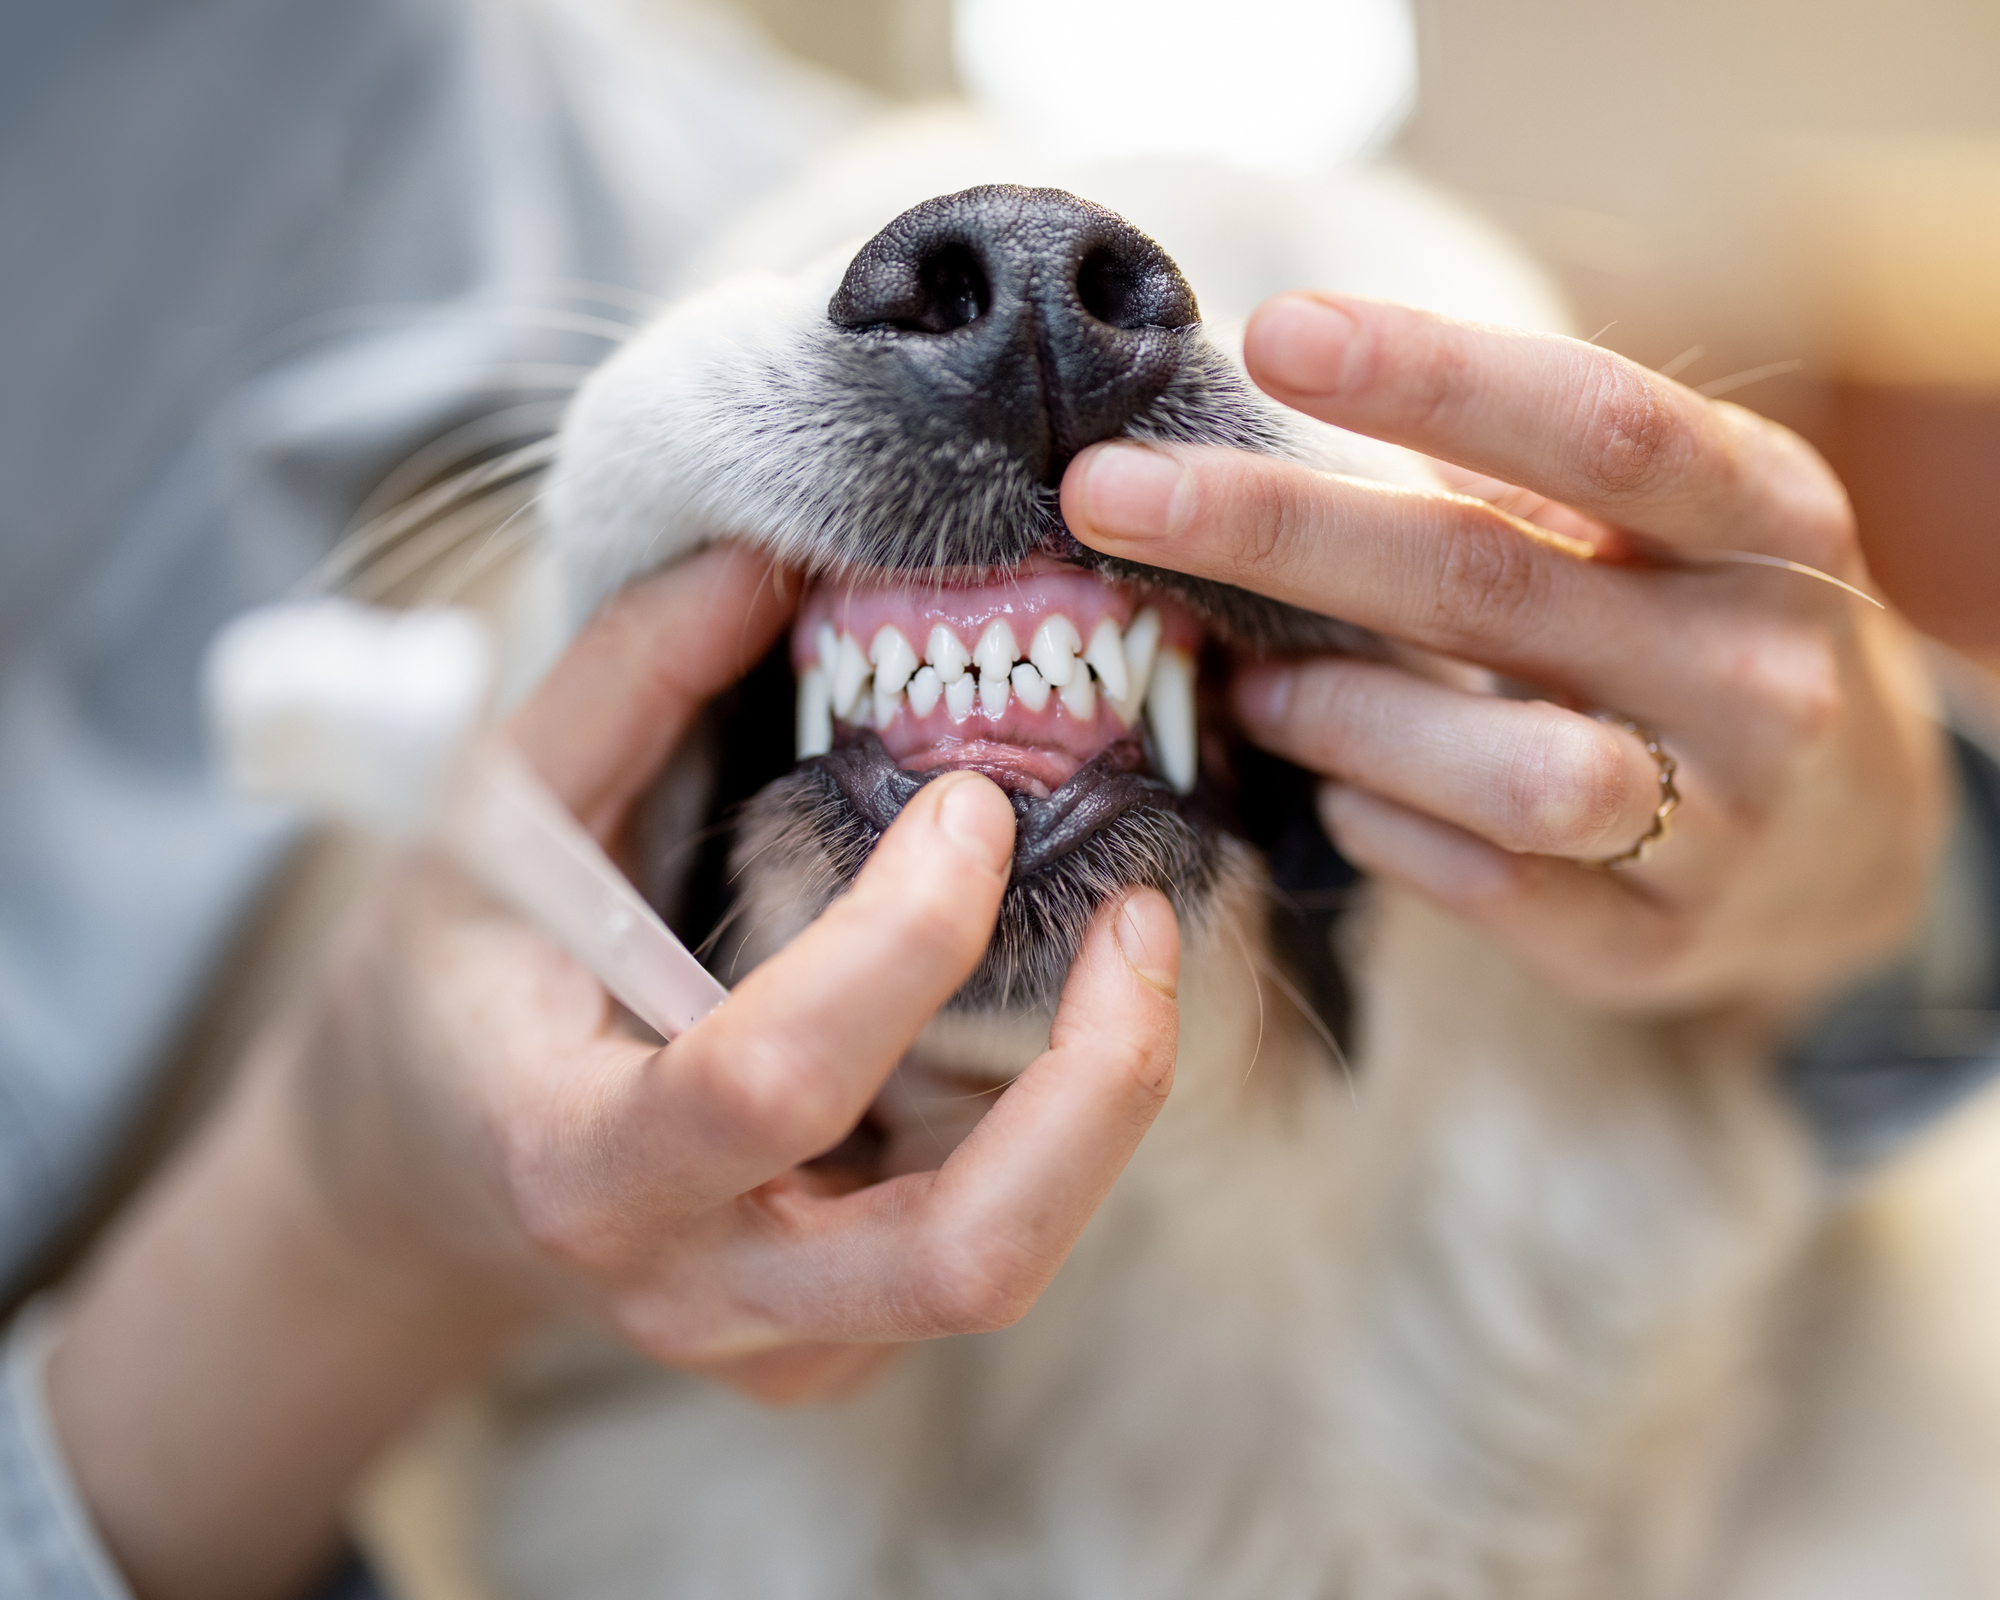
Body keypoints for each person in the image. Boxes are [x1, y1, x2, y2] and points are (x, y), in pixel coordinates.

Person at [7, 4, 2000, 1600]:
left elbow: (1778, 741)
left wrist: (1888, 852)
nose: (1037, 286)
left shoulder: (495, 110)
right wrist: (352, 1206)